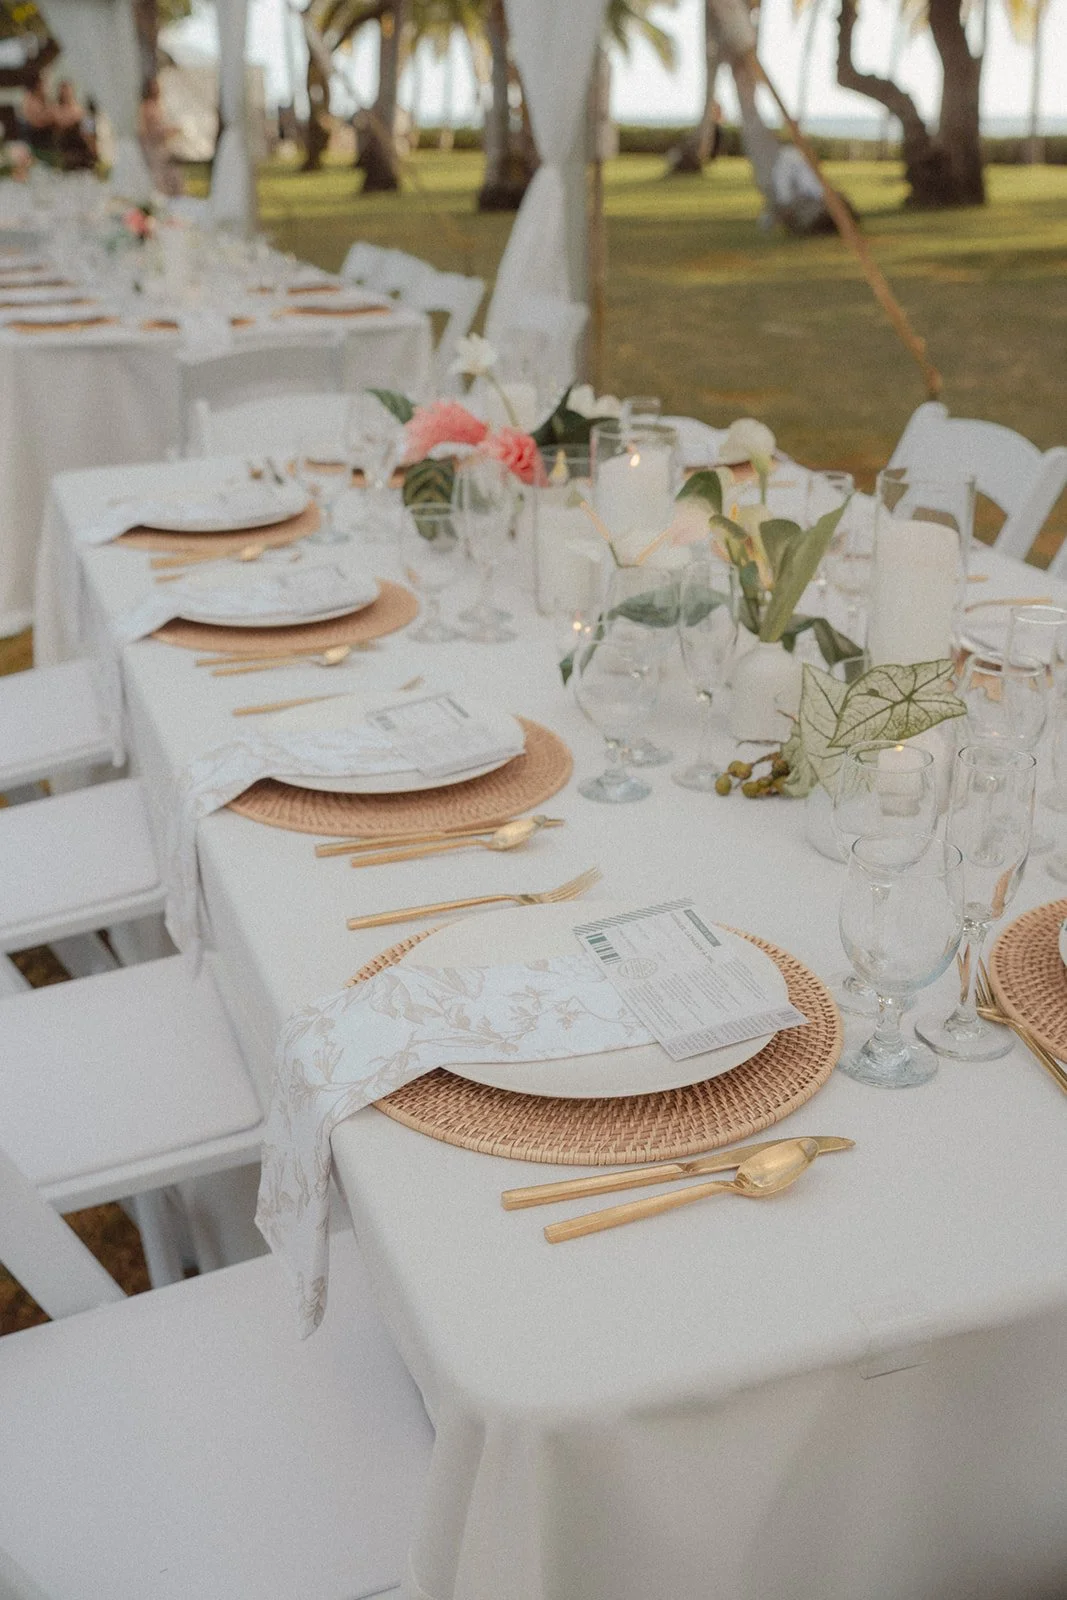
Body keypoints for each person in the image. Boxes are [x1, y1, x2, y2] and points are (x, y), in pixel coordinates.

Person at [137, 78, 182, 197]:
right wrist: (167, 131)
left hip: (162, 149)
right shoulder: (146, 108)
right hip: (153, 150)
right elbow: (147, 132)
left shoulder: (158, 106)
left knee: (171, 177)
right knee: (158, 180)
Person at [53, 79, 96, 170]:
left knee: (88, 123)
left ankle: (92, 150)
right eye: (64, 91)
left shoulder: (77, 107)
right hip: (66, 138)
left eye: (68, 91)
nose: (66, 94)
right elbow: (60, 122)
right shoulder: (57, 108)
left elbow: (86, 119)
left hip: (80, 137)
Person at [19, 67, 54, 160]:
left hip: (40, 137)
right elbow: (37, 121)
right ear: (37, 85)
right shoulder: (30, 101)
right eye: (43, 84)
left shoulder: (41, 99)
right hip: (35, 138)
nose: (45, 86)